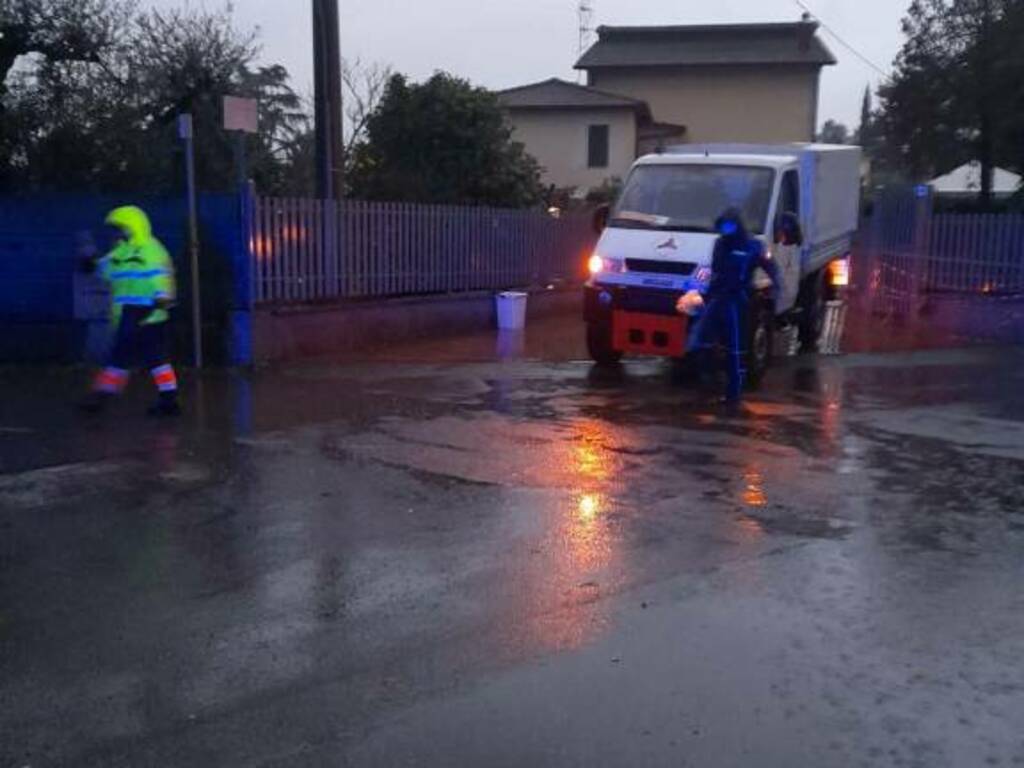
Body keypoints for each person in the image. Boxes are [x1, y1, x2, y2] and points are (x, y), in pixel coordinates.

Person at [81, 206, 181, 416]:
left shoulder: (151, 251)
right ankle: (168, 400)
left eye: (120, 228)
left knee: (130, 358)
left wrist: (158, 304)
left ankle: (101, 399)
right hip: (130, 315)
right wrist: (91, 264)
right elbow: (105, 270)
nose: (116, 233)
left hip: (148, 315)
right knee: (145, 359)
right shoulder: (121, 251)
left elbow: (163, 281)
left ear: (131, 227)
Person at [683, 207, 781, 405]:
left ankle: (733, 393)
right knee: (701, 341)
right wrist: (704, 295)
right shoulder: (720, 244)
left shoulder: (753, 246)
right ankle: (708, 383)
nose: (726, 231)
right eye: (723, 227)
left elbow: (770, 267)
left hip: (738, 300)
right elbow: (715, 271)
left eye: (729, 226)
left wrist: (777, 287)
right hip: (718, 297)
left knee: (735, 347)